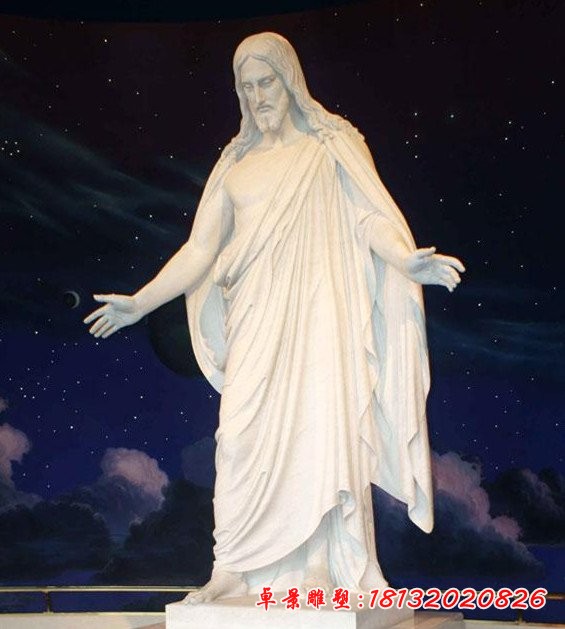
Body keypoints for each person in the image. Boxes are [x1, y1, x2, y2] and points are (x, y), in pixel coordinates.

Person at [83, 32, 464, 604]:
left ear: (289, 82)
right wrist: (141, 301)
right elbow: (200, 249)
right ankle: (232, 568)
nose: (258, 96)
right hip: (255, 320)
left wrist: (404, 259)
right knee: (237, 439)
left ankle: (318, 567)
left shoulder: (330, 147)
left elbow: (368, 219)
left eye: (267, 83)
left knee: (319, 430)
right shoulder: (235, 164)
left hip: (319, 318)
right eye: (247, 87)